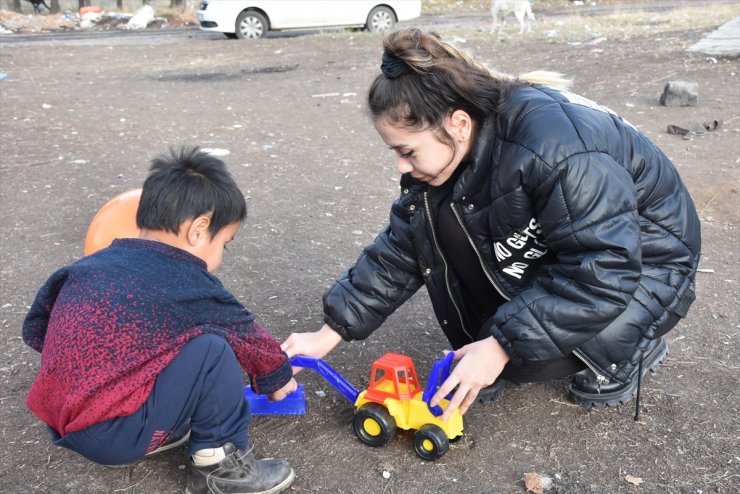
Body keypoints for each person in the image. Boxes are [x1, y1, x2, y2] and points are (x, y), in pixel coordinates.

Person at [282, 28, 701, 423]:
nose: (400, 166)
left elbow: (604, 265)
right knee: (436, 225)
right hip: (571, 247)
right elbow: (403, 246)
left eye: (407, 151)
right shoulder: (452, 152)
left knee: (528, 356)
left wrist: (500, 346)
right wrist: (329, 332)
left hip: (646, 263)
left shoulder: (557, 150)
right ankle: (507, 341)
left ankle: (632, 349)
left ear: (458, 124)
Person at [23, 147, 297, 494]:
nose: (220, 256)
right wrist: (278, 375)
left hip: (65, 422)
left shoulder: (87, 267)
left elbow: (35, 327)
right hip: (114, 435)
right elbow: (247, 334)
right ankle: (220, 467)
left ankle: (157, 427)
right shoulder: (189, 282)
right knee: (211, 350)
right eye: (224, 243)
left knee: (159, 345)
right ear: (198, 230)